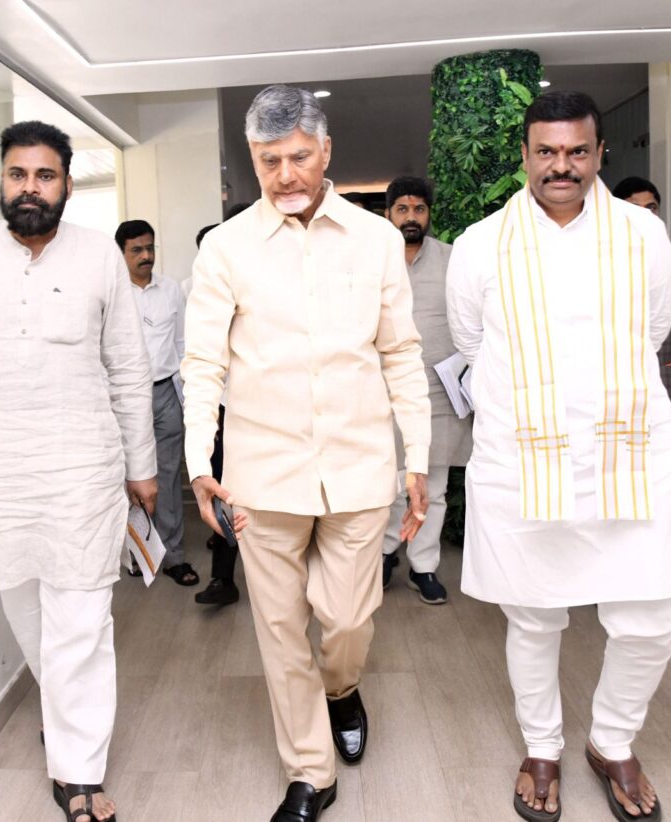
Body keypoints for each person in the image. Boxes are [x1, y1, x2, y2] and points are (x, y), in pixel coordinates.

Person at [447, 91, 671, 822]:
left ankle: (613, 741)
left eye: (578, 152)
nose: (562, 166)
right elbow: (473, 344)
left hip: (632, 450)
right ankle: (542, 744)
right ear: (526, 154)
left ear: (599, 154)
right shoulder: (478, 245)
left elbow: (654, 328)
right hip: (529, 456)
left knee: (649, 618)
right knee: (534, 618)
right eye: (547, 151)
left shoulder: (643, 234)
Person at [181, 85, 431, 822]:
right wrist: (202, 463)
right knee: (280, 626)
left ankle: (342, 689)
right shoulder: (224, 249)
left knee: (348, 621)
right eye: (268, 161)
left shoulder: (377, 239)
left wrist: (415, 456)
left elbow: (401, 355)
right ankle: (309, 772)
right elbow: (203, 365)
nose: (285, 174)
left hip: (358, 468)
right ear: (253, 161)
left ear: (325, 152)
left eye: (297, 157)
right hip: (261, 476)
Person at [0, 120, 156, 822]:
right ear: (2, 180)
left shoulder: (98, 258)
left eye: (45, 175)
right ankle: (67, 716)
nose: (31, 188)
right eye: (18, 175)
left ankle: (78, 773)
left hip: (85, 465)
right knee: (27, 611)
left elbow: (129, 368)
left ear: (66, 183)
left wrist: (141, 467)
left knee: (82, 618)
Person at [613, 175, 671, 628]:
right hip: (608, 403)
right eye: (633, 206)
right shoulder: (595, 262)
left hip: (663, 395)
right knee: (618, 499)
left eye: (651, 207)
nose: (643, 215)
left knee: (667, 500)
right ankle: (613, 584)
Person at [380, 175, 472, 604]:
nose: (411, 217)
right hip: (384, 396)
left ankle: (424, 567)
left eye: (418, 209)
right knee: (389, 482)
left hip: (439, 395)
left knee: (432, 488)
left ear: (428, 213)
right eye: (402, 209)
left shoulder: (454, 260)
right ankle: (383, 554)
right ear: (388, 214)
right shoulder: (375, 260)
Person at [116, 219, 199, 587]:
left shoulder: (171, 290)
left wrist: (186, 397)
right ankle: (135, 555)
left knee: (167, 477)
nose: (146, 256)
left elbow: (181, 344)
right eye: (137, 250)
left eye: (150, 248)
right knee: (127, 479)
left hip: (166, 393)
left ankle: (173, 557)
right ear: (122, 253)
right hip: (124, 397)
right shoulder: (112, 292)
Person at [187, 222, 240, 605]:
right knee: (226, 491)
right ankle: (223, 580)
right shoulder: (197, 294)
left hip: (276, 415)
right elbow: (198, 361)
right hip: (222, 409)